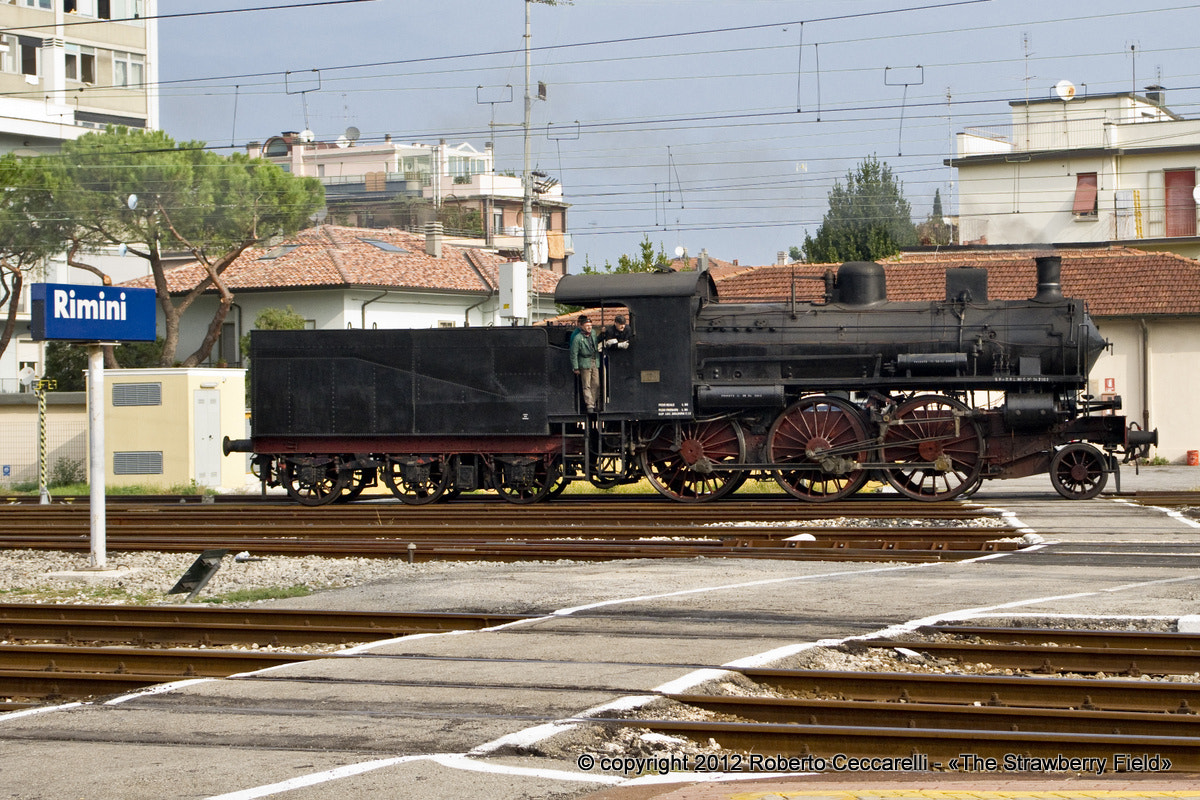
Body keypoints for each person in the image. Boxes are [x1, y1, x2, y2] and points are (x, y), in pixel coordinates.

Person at [570, 314, 600, 412]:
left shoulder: (594, 334)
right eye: (587, 326)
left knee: (596, 383)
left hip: (594, 360)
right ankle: (589, 405)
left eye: (590, 326)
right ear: (582, 326)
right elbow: (573, 353)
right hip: (584, 362)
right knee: (586, 384)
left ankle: (593, 402)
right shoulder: (578, 338)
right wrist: (576, 367)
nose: (589, 327)